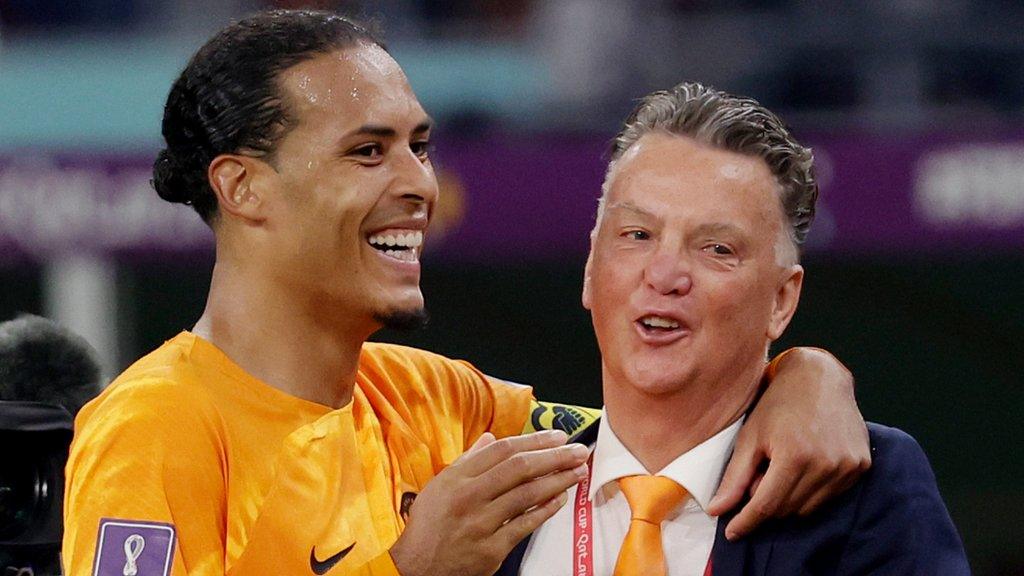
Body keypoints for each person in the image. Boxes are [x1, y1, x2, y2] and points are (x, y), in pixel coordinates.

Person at [62, 12, 871, 576]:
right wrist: (409, 572)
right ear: (243, 187)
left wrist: (804, 375)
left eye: (419, 146)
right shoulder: (155, 429)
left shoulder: (438, 401)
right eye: (367, 151)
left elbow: (664, 438)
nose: (420, 183)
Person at [504, 82, 970, 575]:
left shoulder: (860, 501)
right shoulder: (498, 500)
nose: (664, 275)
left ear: (781, 301)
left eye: (717, 249)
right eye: (637, 235)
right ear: (591, 268)